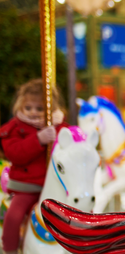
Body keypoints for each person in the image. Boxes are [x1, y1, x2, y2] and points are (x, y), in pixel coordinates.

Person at [0, 79, 68, 254]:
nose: (33, 113)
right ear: (20, 107)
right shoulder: (14, 128)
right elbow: (15, 153)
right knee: (13, 217)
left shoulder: (60, 126)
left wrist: (58, 133)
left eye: (39, 108)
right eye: (28, 108)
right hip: (27, 187)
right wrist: (38, 139)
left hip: (54, 185)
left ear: (50, 109)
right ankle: (10, 249)